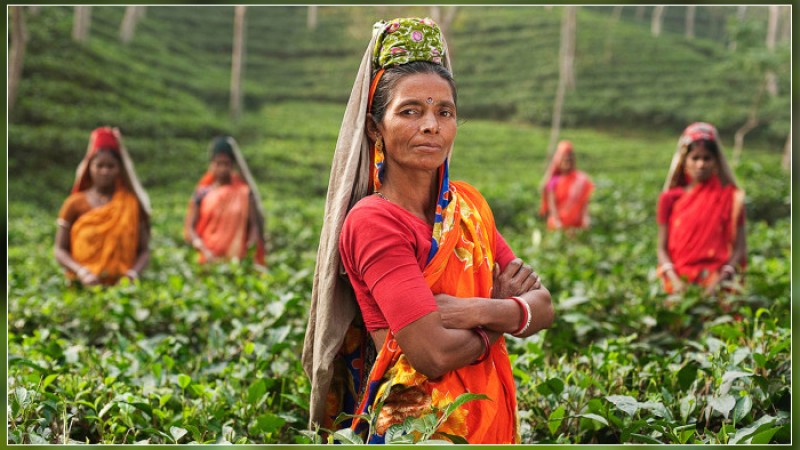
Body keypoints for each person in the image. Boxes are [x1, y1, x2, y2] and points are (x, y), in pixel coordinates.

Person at [302, 17, 553, 444]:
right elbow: (432, 353)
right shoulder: (373, 222)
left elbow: (544, 306)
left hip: (486, 416)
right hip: (417, 428)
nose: (431, 125)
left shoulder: (469, 205)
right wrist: (503, 313)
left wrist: (470, 310)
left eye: (444, 112)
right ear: (374, 127)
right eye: (410, 111)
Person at [656, 122, 746, 296]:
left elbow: (740, 248)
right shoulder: (669, 199)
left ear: (716, 162)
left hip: (717, 283)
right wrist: (675, 281)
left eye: (707, 158)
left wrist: (719, 282)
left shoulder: (731, 198)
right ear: (684, 161)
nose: (701, 164)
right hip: (678, 283)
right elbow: (661, 248)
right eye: (695, 158)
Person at [55, 126, 151, 286]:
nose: (105, 171)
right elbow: (59, 249)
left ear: (119, 169)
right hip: (81, 285)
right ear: (89, 167)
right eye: (99, 166)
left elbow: (144, 250)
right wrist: (81, 272)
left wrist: (132, 274)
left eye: (110, 166)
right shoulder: (74, 204)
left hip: (122, 289)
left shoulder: (132, 204)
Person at [184, 136, 267, 268]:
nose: (222, 168)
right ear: (212, 164)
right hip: (206, 258)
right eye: (218, 163)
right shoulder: (202, 193)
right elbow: (190, 228)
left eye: (226, 164)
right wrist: (201, 248)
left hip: (237, 261)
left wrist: (249, 251)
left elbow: (254, 227)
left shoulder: (244, 192)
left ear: (232, 165)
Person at [538, 140, 594, 230]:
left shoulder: (581, 179)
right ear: (559, 161)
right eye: (564, 160)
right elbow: (552, 206)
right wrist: (557, 222)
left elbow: (584, 203)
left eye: (569, 160)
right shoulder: (554, 180)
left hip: (577, 225)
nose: (567, 163)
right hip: (558, 224)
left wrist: (586, 219)